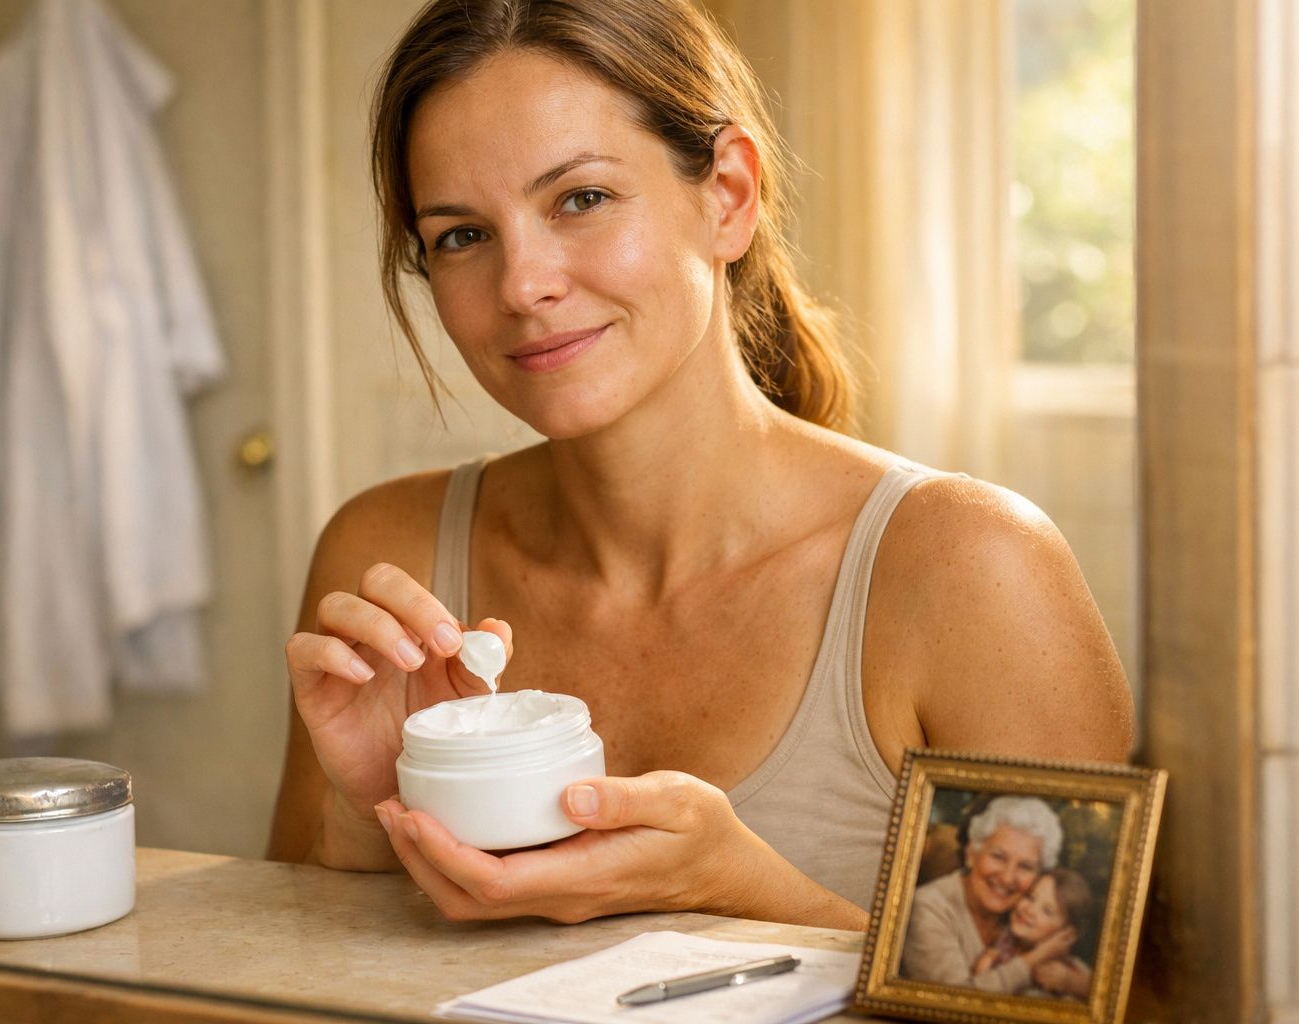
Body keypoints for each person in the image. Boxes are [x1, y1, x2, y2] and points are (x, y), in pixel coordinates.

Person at [266, 0, 1134, 930]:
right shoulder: (386, 556)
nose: (523, 285)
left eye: (581, 199)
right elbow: (282, 975)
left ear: (728, 194)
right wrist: (374, 818)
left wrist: (735, 889)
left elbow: (1090, 1001)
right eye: (462, 236)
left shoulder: (973, 573)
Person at [901, 797, 1084, 994]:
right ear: (971, 854)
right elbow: (957, 1004)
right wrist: (1032, 961)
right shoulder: (928, 908)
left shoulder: (1022, 914)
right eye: (998, 856)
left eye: (1025, 866)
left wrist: (1075, 983)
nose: (1007, 878)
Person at [973, 868, 1095, 999]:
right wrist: (983, 976)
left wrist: (1071, 982)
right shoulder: (998, 942)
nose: (1029, 910)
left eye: (1047, 911)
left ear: (1068, 934)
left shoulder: (1065, 972)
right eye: (1030, 897)